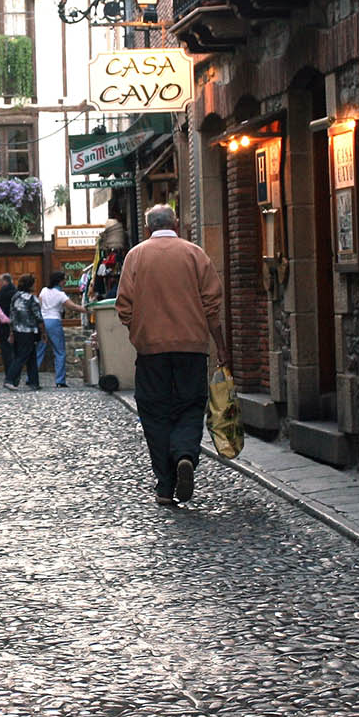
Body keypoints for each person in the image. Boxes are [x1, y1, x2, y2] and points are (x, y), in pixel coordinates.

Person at [114, 205, 229, 506]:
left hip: (151, 352)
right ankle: (185, 455)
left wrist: (139, 330)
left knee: (155, 414)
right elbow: (212, 306)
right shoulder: (195, 254)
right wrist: (221, 345)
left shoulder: (135, 256)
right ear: (176, 224)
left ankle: (165, 486)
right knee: (191, 407)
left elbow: (123, 304)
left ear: (148, 226)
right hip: (191, 348)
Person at [36, 270, 83, 388]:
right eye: (64, 280)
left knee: (39, 350)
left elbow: (39, 304)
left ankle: (32, 377)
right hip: (54, 321)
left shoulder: (44, 290)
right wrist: (85, 310)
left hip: (43, 320)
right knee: (59, 351)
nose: (65, 282)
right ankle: (60, 380)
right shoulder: (61, 295)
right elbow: (72, 306)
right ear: (60, 281)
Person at [3, 273, 43, 391]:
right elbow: (38, 317)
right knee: (22, 356)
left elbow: (12, 315)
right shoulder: (32, 299)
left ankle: (34, 382)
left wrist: (11, 332)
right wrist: (43, 332)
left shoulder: (15, 297)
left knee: (31, 356)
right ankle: (9, 379)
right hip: (29, 331)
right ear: (30, 285)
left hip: (17, 330)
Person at [0, 272, 15, 373]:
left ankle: (9, 372)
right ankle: (15, 372)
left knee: (6, 350)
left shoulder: (1, 294)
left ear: (5, 281)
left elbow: (0, 312)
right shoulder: (16, 292)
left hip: (4, 325)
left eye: (0, 281)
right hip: (16, 325)